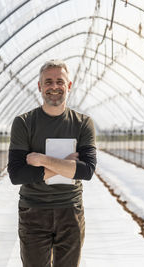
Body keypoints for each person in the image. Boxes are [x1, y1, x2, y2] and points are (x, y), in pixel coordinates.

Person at [7, 59, 96, 267]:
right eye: (48, 82)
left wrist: (42, 160)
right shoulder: (24, 123)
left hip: (70, 210)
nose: (54, 87)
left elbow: (87, 170)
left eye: (59, 81)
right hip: (34, 211)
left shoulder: (82, 123)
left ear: (69, 86)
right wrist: (65, 166)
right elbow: (17, 174)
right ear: (40, 86)